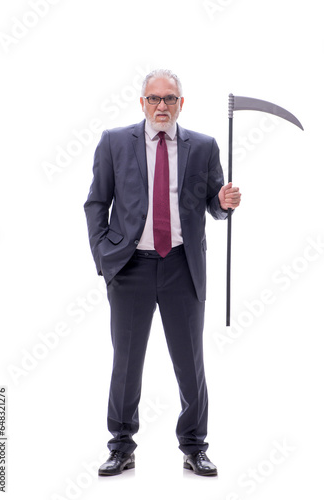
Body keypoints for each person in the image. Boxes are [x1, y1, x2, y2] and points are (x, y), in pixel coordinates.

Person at [84, 69, 241, 477]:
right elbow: (96, 203)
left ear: (181, 104)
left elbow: (214, 204)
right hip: (131, 267)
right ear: (142, 103)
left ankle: (194, 446)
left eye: (169, 99)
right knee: (126, 361)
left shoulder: (203, 147)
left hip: (182, 268)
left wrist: (224, 202)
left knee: (190, 362)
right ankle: (121, 446)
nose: (161, 106)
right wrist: (105, 257)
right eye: (154, 98)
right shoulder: (116, 142)